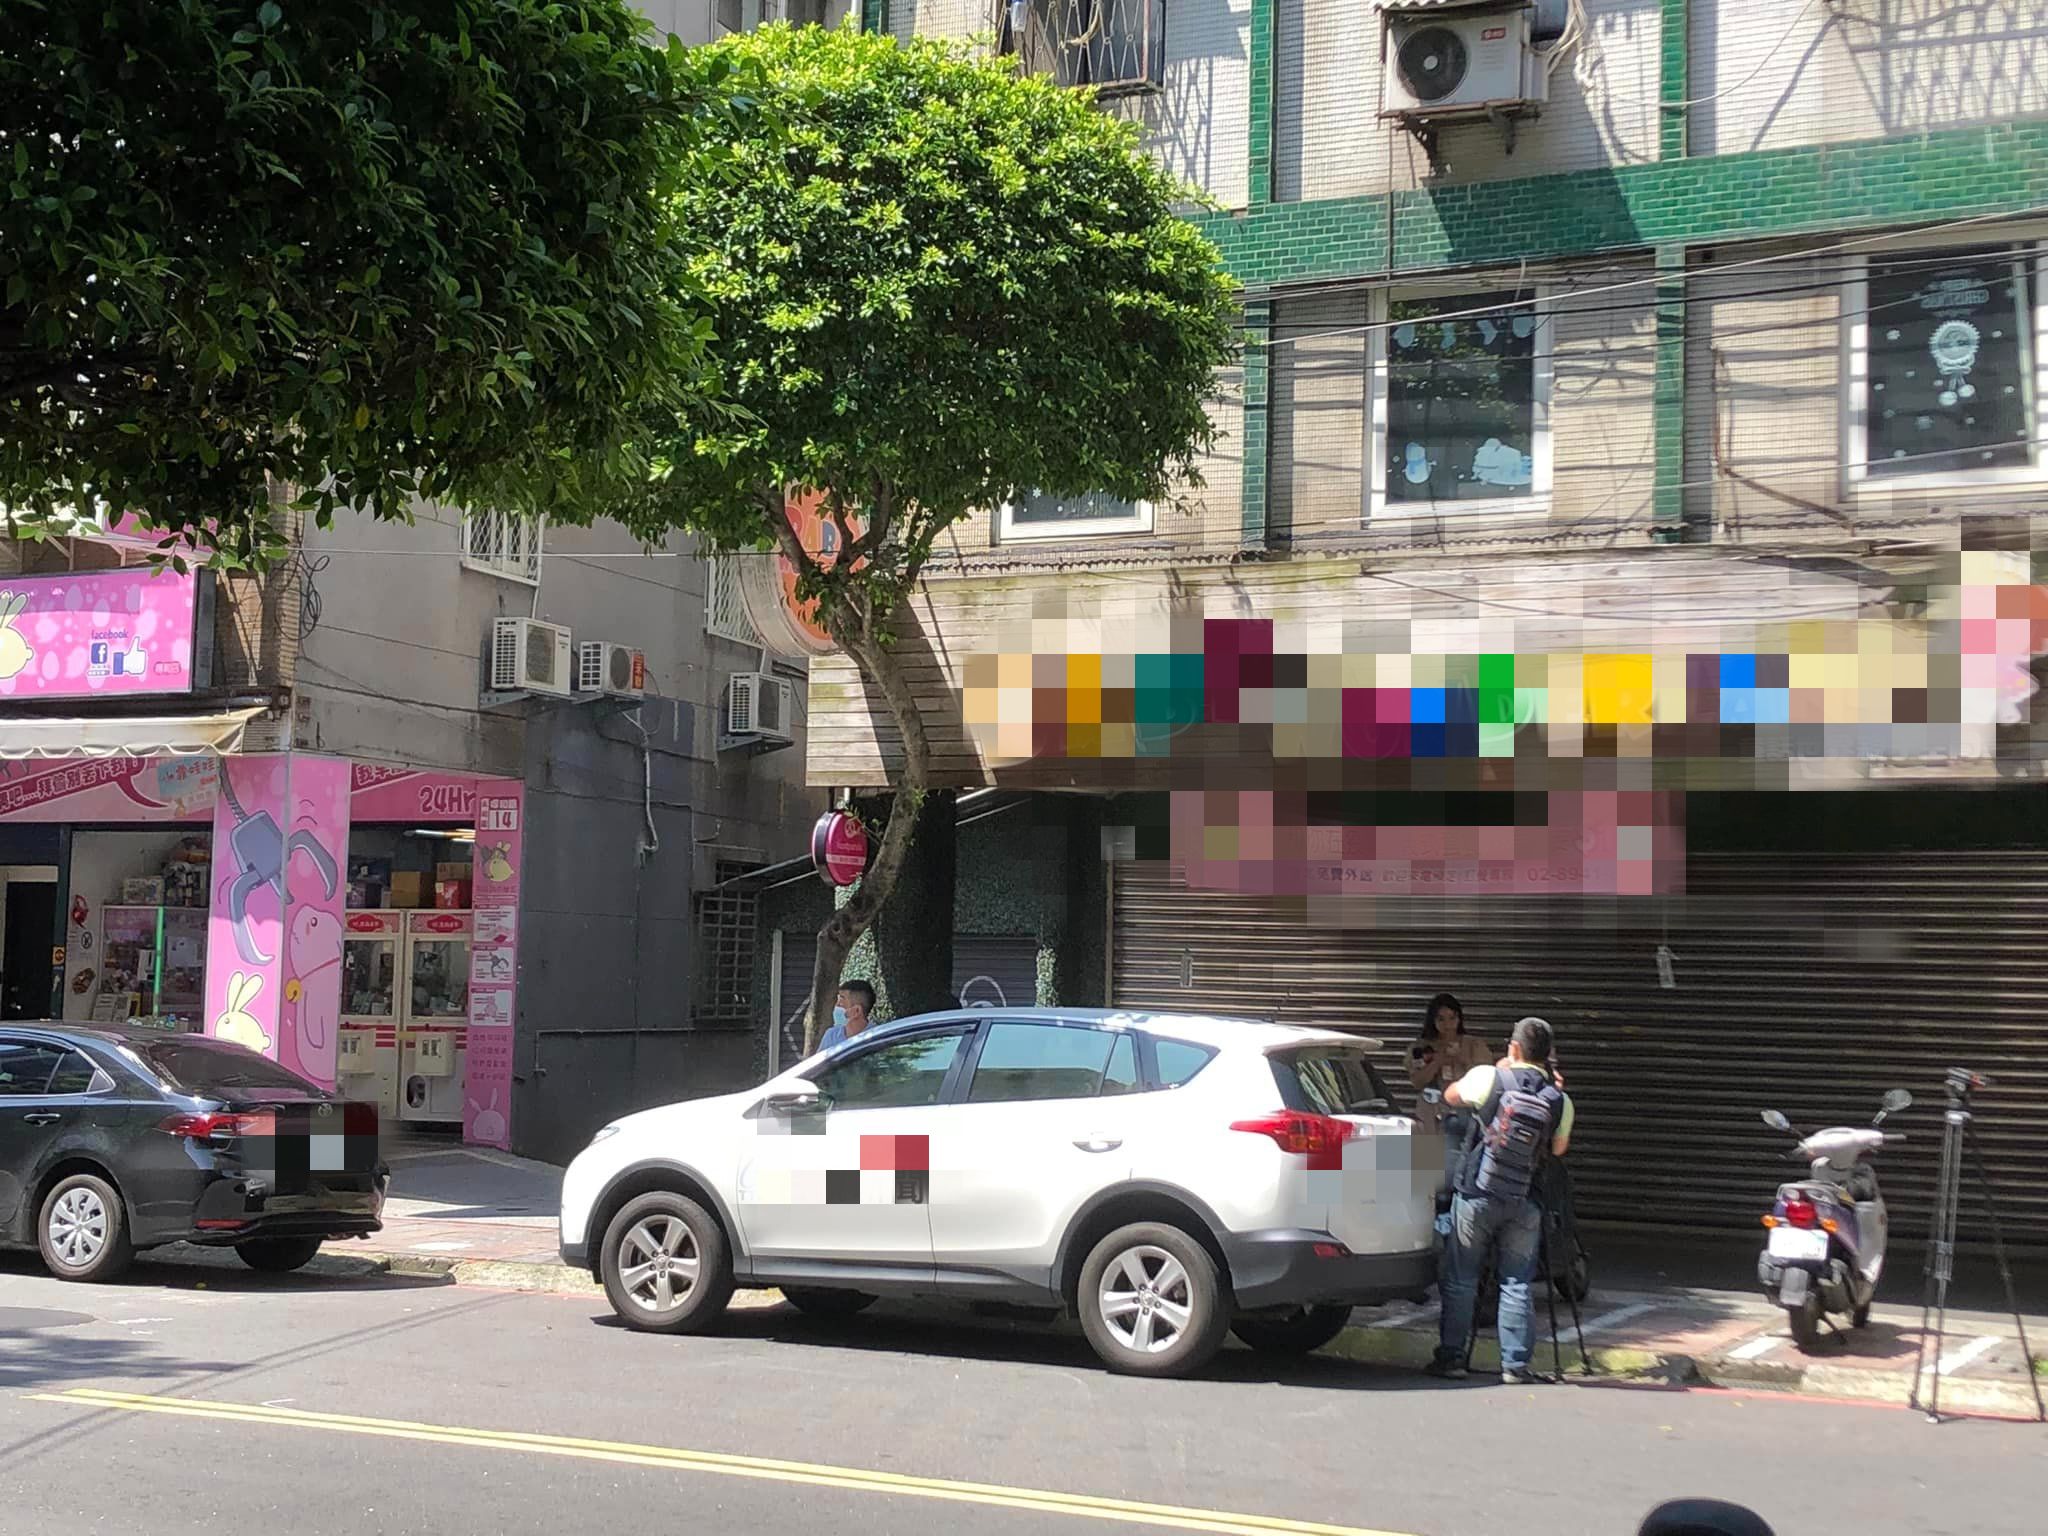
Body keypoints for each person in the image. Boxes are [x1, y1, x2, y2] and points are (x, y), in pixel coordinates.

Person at [1427, 1016, 1575, 1385]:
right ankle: (1515, 1365)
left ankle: (1452, 1358)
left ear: (1514, 1047)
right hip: (1524, 1198)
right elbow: (1559, 1148)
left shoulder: (1489, 1077)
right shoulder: (1559, 1099)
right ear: (1548, 1055)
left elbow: (1450, 1096)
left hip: (1477, 1192)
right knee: (1516, 1281)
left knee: (1462, 1277)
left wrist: (1498, 1070)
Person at [1407, 993, 1491, 1135]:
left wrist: (1462, 1059)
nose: (1447, 1025)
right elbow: (1417, 1081)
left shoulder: (1473, 1045)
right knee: (1429, 1148)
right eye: (1441, 1019)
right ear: (1433, 1020)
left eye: (1452, 1018)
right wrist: (1436, 1062)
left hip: (1464, 1109)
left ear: (1459, 1019)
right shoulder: (1421, 1048)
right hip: (1431, 1110)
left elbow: (1485, 1078)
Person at [815, 979, 875, 1052]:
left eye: (842, 999)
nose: (837, 1005)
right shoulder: (831, 1036)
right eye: (838, 999)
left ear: (857, 1011)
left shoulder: (877, 1037)